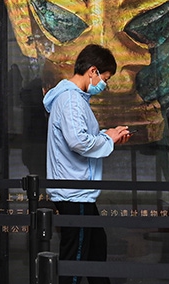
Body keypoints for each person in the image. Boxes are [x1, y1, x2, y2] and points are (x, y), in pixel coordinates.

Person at [43, 44, 131, 284]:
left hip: (78, 191)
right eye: (105, 78)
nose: (105, 84)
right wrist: (108, 139)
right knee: (76, 259)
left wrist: (109, 135)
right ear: (93, 71)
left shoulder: (74, 98)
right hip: (75, 192)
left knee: (95, 250)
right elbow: (78, 142)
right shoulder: (71, 100)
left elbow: (81, 136)